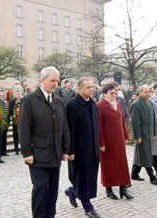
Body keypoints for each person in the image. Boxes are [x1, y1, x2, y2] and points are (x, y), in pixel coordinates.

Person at [19, 66, 70, 218]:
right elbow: (24, 128)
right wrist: (26, 152)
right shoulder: (29, 100)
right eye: (52, 80)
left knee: (53, 191)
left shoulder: (58, 101)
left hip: (55, 154)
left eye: (57, 80)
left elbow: (64, 127)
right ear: (42, 80)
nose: (56, 83)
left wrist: (66, 149)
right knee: (41, 189)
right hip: (38, 155)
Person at [65, 77, 100, 218]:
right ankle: (87, 206)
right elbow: (69, 130)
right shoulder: (72, 105)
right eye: (88, 87)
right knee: (81, 176)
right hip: (79, 150)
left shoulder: (92, 103)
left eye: (92, 87)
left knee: (89, 176)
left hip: (92, 148)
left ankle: (73, 191)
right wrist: (70, 150)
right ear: (79, 89)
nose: (91, 89)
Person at [97, 83, 133, 200]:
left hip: (119, 139)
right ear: (104, 94)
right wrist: (101, 143)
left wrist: (125, 136)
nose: (114, 95)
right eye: (111, 93)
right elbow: (99, 126)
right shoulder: (100, 106)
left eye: (115, 93)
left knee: (121, 164)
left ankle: (123, 188)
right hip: (108, 142)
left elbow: (122, 121)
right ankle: (109, 189)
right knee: (109, 165)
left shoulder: (117, 104)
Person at [130, 85, 157, 185]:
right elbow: (135, 122)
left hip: (149, 133)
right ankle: (152, 177)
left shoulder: (150, 103)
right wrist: (137, 136)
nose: (148, 94)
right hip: (142, 134)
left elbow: (153, 119)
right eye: (146, 92)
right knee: (146, 155)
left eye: (149, 92)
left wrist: (154, 132)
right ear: (140, 92)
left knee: (142, 153)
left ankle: (134, 173)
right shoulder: (136, 104)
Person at [9, 90, 23, 155]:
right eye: (17, 94)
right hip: (15, 121)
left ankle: (23, 148)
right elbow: (10, 110)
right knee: (15, 135)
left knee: (23, 135)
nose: (18, 95)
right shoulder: (12, 102)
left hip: (23, 121)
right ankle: (16, 149)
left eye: (19, 94)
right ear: (15, 95)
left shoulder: (24, 100)